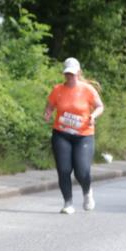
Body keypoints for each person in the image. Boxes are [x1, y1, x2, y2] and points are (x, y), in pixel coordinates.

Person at [43, 58, 105, 214]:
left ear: (78, 72)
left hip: (83, 135)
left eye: (72, 74)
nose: (69, 77)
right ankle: (68, 203)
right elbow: (50, 105)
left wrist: (93, 116)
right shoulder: (57, 90)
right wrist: (48, 113)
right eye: (67, 74)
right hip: (61, 134)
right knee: (64, 170)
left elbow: (99, 106)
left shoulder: (87, 89)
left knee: (82, 171)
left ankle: (87, 191)